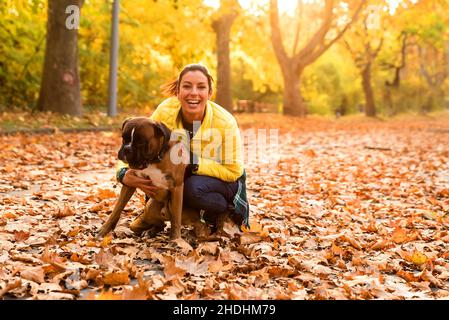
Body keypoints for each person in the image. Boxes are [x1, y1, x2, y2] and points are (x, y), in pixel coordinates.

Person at [116, 63, 249, 235]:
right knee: (167, 176)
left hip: (221, 182)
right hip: (179, 176)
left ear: (209, 93)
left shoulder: (225, 121)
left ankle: (219, 215)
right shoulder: (166, 110)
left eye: (201, 87)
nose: (193, 92)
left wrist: (193, 162)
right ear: (178, 91)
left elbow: (234, 170)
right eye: (187, 86)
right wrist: (123, 173)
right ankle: (154, 215)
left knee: (191, 188)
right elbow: (137, 143)